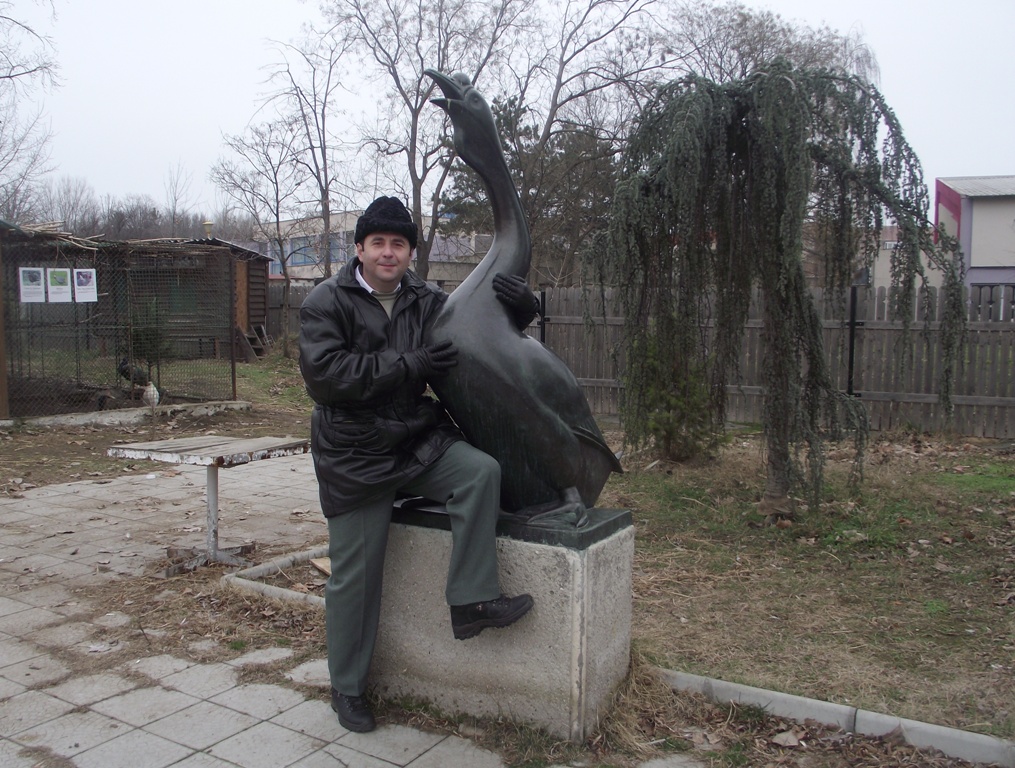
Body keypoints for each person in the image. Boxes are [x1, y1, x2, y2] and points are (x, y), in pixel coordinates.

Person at [298, 196, 537, 733]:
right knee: (356, 577)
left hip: (413, 440)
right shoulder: (325, 301)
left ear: (410, 252)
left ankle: (471, 600)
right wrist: (411, 365)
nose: (388, 253)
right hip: (355, 452)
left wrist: (524, 310)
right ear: (359, 248)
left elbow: (481, 330)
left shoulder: (426, 300)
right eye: (378, 243)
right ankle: (348, 687)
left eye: (398, 244)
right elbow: (328, 378)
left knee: (480, 473)